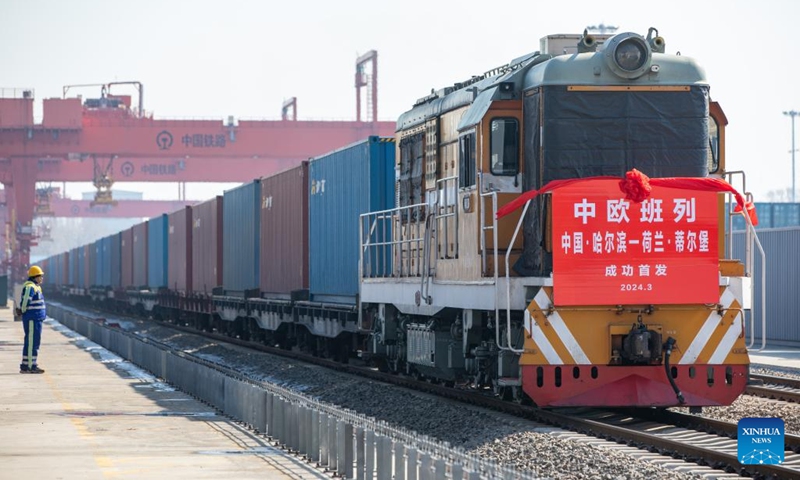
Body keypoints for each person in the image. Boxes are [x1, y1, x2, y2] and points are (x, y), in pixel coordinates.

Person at [18, 265, 46, 374]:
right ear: (35, 276)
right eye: (40, 276)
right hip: (32, 319)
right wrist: (23, 310)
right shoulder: (30, 287)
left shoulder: (36, 287)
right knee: (31, 342)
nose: (42, 278)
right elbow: (25, 301)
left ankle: (27, 365)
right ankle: (30, 366)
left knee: (34, 342)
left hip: (36, 318)